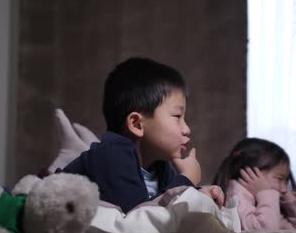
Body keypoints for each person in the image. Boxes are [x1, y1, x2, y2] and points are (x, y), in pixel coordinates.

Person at [61, 57, 223, 213]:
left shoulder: (160, 165)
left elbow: (165, 201)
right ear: (137, 124)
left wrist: (201, 193)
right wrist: (187, 180)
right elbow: (137, 220)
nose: (186, 129)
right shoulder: (112, 155)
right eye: (177, 117)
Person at [212, 138, 296, 230]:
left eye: (286, 181)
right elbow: (265, 230)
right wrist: (266, 193)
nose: (284, 189)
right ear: (250, 172)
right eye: (279, 178)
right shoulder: (236, 193)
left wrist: (290, 200)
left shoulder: (266, 200)